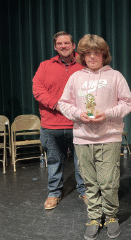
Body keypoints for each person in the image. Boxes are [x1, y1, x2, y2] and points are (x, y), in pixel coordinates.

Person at [58, 34, 131, 240]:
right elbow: (64, 103)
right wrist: (78, 114)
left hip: (108, 136)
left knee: (108, 181)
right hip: (83, 137)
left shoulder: (115, 76)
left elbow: (128, 103)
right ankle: (93, 217)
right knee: (90, 182)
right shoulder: (75, 77)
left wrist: (107, 114)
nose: (92, 57)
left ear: (104, 54)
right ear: (82, 55)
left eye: (96, 52)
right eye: (87, 53)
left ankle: (110, 216)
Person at [32, 31, 86, 210]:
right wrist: (56, 104)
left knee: (82, 162)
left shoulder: (84, 64)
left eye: (67, 43)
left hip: (79, 124)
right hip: (51, 125)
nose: (63, 46)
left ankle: (84, 191)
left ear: (73, 45)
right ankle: (54, 193)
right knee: (54, 161)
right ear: (55, 47)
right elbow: (38, 89)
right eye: (60, 44)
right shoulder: (45, 66)